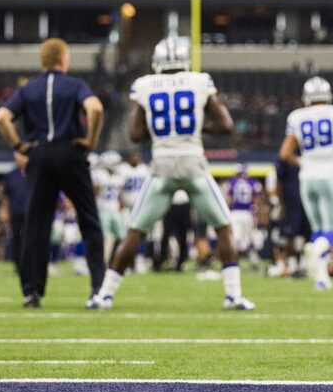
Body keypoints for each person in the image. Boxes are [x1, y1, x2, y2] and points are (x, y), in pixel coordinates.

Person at [90, 36, 254, 310]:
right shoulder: (200, 81)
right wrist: (195, 128)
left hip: (162, 164)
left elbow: (135, 134)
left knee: (135, 231)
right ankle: (233, 295)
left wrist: (161, 134)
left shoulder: (144, 86)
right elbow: (226, 126)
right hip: (193, 163)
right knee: (223, 227)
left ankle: (105, 295)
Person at [0, 37, 106, 308]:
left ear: (43, 61)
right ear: (64, 60)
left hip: (40, 155)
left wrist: (19, 145)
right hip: (70, 152)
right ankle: (98, 288)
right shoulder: (75, 85)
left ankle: (32, 291)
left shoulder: (28, 89)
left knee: (36, 224)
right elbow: (95, 108)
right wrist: (90, 140)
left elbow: (1, 117)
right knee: (88, 219)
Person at [279, 76, 333, 291]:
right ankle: (315, 250)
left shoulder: (297, 116)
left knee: (318, 228)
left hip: (307, 176)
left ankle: (321, 278)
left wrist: (301, 161)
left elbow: (284, 154)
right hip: (330, 173)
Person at [223, 164, 265, 271]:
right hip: (248, 213)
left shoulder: (231, 182)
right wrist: (257, 214)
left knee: (235, 238)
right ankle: (253, 261)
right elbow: (257, 200)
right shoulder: (253, 183)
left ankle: (234, 262)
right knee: (250, 237)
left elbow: (228, 200)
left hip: (235, 213)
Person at [117, 151, 151, 273]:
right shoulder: (123, 169)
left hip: (141, 207)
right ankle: (127, 263)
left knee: (140, 235)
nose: (137, 158)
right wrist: (120, 203)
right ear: (129, 158)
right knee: (126, 236)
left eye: (138, 156)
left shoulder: (144, 169)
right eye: (134, 156)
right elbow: (118, 188)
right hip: (127, 207)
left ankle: (140, 261)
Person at [93, 150, 125, 264]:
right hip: (102, 209)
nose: (118, 165)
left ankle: (116, 262)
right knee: (104, 238)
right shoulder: (99, 175)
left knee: (122, 237)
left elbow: (119, 194)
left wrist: (122, 206)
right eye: (116, 163)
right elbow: (94, 193)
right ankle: (102, 262)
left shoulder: (119, 176)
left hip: (115, 209)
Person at [2, 152, 29, 271]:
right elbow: (6, 196)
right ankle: (18, 265)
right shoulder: (11, 175)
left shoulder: (33, 173)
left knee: (29, 238)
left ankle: (30, 263)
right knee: (16, 239)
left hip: (30, 212)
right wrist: (5, 211)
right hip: (15, 211)